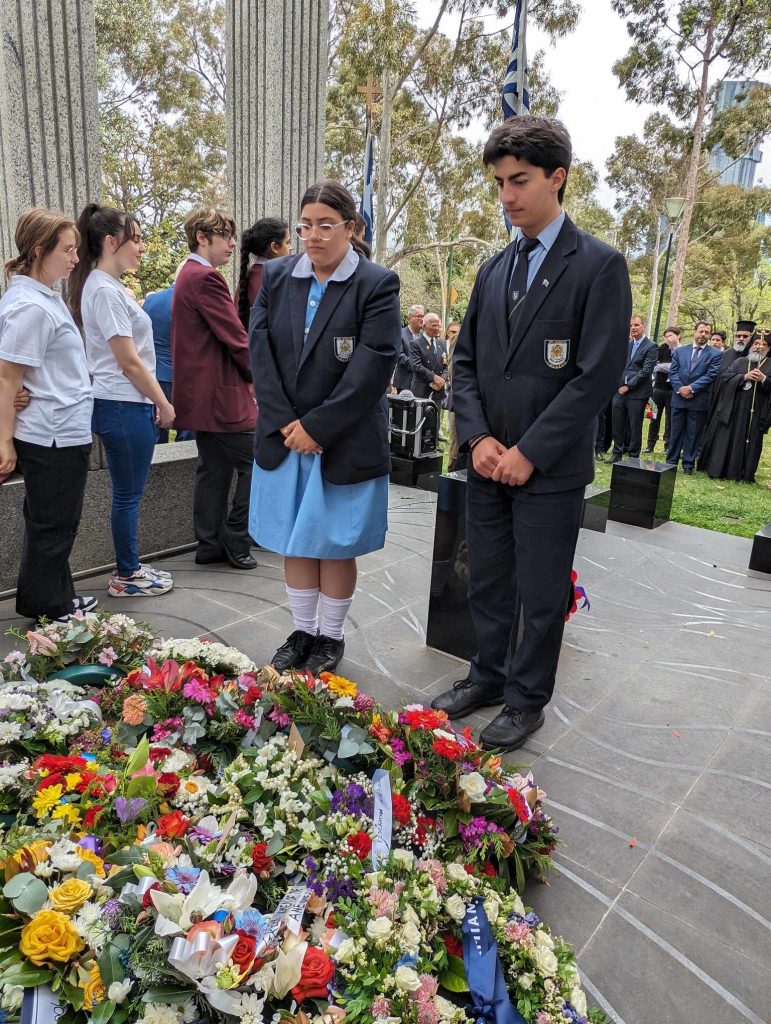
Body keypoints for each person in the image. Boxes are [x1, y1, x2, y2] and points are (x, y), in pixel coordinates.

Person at [431, 115, 631, 752]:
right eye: (499, 183)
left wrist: (529, 453)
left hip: (549, 470)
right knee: (487, 580)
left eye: (519, 181)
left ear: (558, 178)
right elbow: (464, 363)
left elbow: (595, 376)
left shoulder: (598, 266)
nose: (507, 196)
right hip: (489, 462)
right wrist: (479, 439)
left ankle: (525, 699)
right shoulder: (494, 270)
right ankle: (487, 676)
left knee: (542, 594)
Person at [249, 180, 400, 675]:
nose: (313, 236)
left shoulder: (376, 284)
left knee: (333, 541)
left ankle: (330, 636)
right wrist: (287, 421)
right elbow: (260, 351)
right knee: (297, 539)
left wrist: (319, 426)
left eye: (325, 225)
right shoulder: (275, 276)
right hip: (285, 435)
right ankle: (302, 630)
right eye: (305, 226)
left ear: (349, 228)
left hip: (344, 439)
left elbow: (372, 365)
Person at [69, 204, 174, 598]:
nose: (143, 248)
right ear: (112, 242)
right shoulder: (103, 289)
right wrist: (164, 403)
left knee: (129, 494)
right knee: (128, 495)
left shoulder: (107, 287)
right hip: (122, 402)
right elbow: (129, 362)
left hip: (124, 402)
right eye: (138, 239)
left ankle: (129, 566)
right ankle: (126, 575)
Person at [0, 208, 97, 624]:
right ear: (40, 250)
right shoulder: (30, 306)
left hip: (61, 428)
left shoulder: (41, 298)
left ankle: (57, 597)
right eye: (68, 250)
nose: (75, 259)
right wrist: (3, 439)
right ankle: (48, 608)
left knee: (54, 521)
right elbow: (8, 375)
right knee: (54, 524)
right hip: (51, 433)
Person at [172, 207, 257, 570]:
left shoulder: (186, 275)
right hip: (222, 399)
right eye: (226, 235)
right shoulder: (205, 278)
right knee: (262, 463)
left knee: (214, 470)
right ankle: (237, 539)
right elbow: (237, 338)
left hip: (202, 399)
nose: (233, 243)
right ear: (202, 238)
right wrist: (263, 378)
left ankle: (208, 544)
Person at [698, 329, 771, 482]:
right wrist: (743, 376)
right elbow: (725, 378)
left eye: (763, 344)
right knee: (728, 438)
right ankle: (724, 470)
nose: (758, 347)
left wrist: (764, 379)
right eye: (756, 343)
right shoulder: (741, 361)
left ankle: (745, 474)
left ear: (768, 347)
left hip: (757, 411)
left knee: (751, 440)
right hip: (734, 408)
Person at [665, 320, 722, 475]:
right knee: (675, 431)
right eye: (701, 331)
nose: (703, 335)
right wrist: (681, 389)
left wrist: (691, 388)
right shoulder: (680, 351)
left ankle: (688, 464)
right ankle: (671, 462)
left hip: (699, 399)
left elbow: (711, 375)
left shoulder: (716, 354)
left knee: (693, 433)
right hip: (678, 398)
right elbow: (673, 372)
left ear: (709, 335)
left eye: (707, 332)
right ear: (695, 332)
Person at [144, 271, 195, 444]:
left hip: (156, 375)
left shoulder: (151, 301)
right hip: (184, 376)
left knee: (156, 433)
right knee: (188, 434)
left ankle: (155, 470)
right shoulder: (190, 302)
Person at [609, 315, 657, 462]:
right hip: (619, 392)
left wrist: (628, 386)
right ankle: (617, 453)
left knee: (635, 426)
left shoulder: (651, 346)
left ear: (643, 326)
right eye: (631, 326)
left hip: (638, 393)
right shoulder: (627, 345)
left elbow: (646, 371)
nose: (633, 328)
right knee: (617, 423)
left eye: (636, 325)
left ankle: (633, 456)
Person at [236, 218, 291, 330]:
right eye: (288, 242)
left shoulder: (249, 276)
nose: (290, 247)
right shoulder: (273, 280)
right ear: (274, 247)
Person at [644, 326, 680, 453]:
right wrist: (668, 367)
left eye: (671, 335)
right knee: (654, 416)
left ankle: (668, 445)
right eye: (666, 336)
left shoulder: (681, 350)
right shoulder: (659, 349)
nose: (668, 338)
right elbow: (654, 366)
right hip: (658, 388)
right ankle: (650, 444)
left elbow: (679, 367)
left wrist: (665, 367)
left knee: (670, 418)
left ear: (678, 336)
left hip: (673, 389)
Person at [409, 311, 448, 404]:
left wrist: (442, 379)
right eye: (434, 325)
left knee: (436, 418)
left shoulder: (442, 343)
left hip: (438, 390)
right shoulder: (415, 343)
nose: (437, 328)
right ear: (424, 325)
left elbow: (446, 364)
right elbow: (416, 366)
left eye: (439, 326)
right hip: (421, 391)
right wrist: (434, 378)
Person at [394, 304, 424, 392]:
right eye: (419, 316)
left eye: (423, 316)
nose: (422, 319)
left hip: (422, 383)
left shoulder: (424, 336)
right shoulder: (400, 334)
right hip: (405, 382)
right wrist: (418, 367)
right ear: (410, 318)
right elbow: (400, 356)